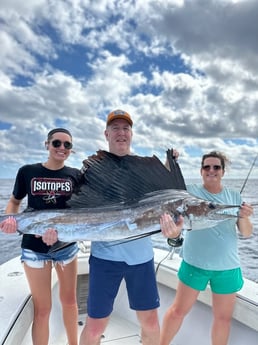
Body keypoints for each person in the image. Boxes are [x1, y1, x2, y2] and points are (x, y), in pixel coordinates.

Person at [78, 110, 183, 345]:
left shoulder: (143, 169)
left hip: (141, 260)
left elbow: (169, 215)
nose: (121, 133)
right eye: (115, 128)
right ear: (106, 134)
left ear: (132, 134)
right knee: (95, 327)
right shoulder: (93, 168)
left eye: (125, 128)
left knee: (151, 323)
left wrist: (174, 236)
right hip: (104, 260)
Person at [159, 151, 254, 345]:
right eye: (207, 167)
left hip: (227, 267)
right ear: (201, 171)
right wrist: (170, 162)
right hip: (195, 263)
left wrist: (244, 216)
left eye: (216, 167)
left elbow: (246, 233)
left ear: (223, 171)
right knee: (178, 312)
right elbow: (166, 188)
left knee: (223, 319)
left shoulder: (234, 196)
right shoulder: (189, 192)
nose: (211, 170)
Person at [0, 128, 82, 345]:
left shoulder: (75, 175)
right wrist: (11, 221)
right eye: (57, 143)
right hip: (34, 251)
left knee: (70, 302)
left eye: (67, 145)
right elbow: (15, 202)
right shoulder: (27, 171)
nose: (62, 148)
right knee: (43, 310)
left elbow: (80, 211)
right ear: (47, 145)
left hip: (66, 247)